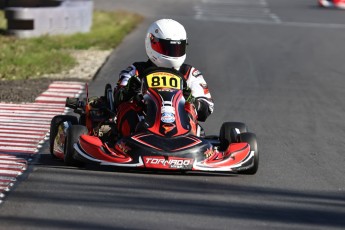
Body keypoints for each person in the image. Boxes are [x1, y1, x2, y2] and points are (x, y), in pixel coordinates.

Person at [114, 19, 214, 137]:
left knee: (189, 108)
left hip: (180, 126)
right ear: (152, 42)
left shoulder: (190, 73)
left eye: (177, 48)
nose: (173, 53)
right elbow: (116, 100)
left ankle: (188, 139)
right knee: (128, 108)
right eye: (167, 48)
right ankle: (129, 142)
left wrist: (190, 100)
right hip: (143, 124)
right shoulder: (135, 71)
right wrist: (130, 91)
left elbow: (207, 108)